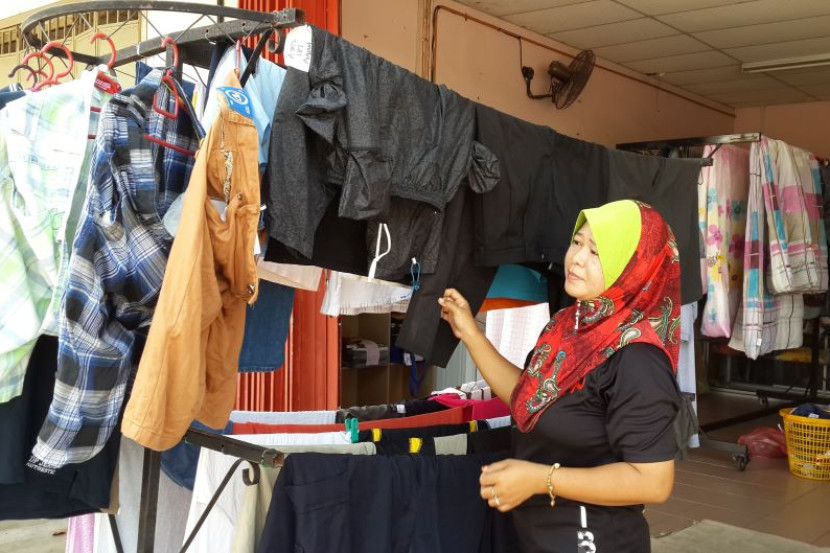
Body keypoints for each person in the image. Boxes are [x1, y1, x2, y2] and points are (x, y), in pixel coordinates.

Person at [438, 200, 681, 553]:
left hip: (592, 538)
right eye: (577, 242)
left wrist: (541, 479)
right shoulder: (567, 326)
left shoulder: (638, 359)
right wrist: (470, 334)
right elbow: (529, 399)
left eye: (596, 252)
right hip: (539, 533)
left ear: (633, 267)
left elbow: (653, 482)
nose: (577, 258)